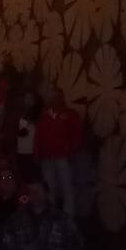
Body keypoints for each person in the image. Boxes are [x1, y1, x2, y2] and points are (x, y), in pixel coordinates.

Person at [34, 87, 81, 218]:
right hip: (47, 158)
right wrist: (37, 154)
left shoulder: (70, 115)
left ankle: (68, 217)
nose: (54, 99)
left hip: (63, 158)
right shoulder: (44, 116)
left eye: (57, 97)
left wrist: (72, 152)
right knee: (50, 188)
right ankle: (51, 215)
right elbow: (38, 136)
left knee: (67, 187)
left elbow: (76, 135)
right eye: (52, 97)